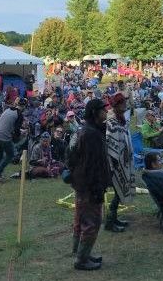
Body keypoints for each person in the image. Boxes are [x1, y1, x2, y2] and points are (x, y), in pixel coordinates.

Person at [68, 98, 111, 271]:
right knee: (92, 221)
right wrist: (96, 186)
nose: (106, 112)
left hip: (82, 183)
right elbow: (92, 164)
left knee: (82, 218)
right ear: (95, 112)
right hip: (89, 184)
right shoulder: (91, 134)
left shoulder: (87, 130)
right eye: (103, 110)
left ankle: (81, 253)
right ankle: (81, 259)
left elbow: (72, 156)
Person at [105, 92, 135, 233]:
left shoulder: (121, 118)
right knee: (118, 190)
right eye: (122, 103)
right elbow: (109, 141)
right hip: (114, 162)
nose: (125, 105)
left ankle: (114, 218)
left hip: (122, 160)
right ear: (117, 105)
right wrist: (113, 162)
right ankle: (109, 222)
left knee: (119, 191)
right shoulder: (111, 121)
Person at [0, 97, 26, 183]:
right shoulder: (19, 114)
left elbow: (8, 124)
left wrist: (19, 131)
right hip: (4, 136)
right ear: (24, 106)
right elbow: (16, 131)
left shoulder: (8, 110)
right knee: (10, 154)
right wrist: (21, 134)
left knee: (0, 155)